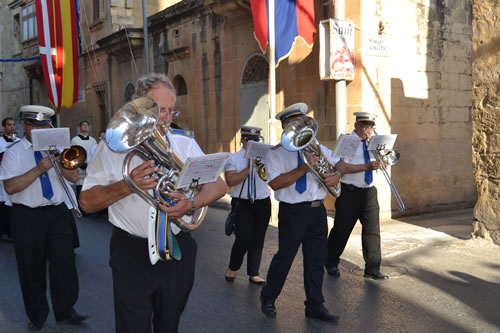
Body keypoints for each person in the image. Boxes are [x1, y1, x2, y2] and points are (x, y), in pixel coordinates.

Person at [79, 73, 226, 333]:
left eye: (171, 111)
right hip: (132, 252)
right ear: (139, 109)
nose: (167, 118)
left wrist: (191, 204)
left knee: (169, 325)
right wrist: (128, 184)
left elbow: (218, 185)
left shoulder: (185, 144)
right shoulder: (113, 149)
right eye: (160, 110)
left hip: (178, 250)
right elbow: (87, 202)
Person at [0, 106, 88, 331]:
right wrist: (40, 168)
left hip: (57, 212)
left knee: (64, 264)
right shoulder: (14, 152)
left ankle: (66, 310)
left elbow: (74, 176)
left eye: (45, 125)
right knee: (31, 267)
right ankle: (37, 314)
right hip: (27, 216)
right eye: (35, 126)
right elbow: (10, 187)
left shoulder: (60, 149)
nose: (40, 129)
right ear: (25, 127)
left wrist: (58, 159)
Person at [259, 103, 341, 323]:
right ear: (285, 127)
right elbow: (275, 183)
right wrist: (303, 168)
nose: (298, 128)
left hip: (317, 212)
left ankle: (315, 305)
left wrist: (337, 175)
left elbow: (336, 165)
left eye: (301, 123)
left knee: (316, 261)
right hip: (292, 213)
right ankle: (268, 297)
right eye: (293, 124)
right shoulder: (275, 154)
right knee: (284, 258)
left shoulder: (318, 148)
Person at [325, 111, 389, 280]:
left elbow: (381, 162)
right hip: (350, 191)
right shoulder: (348, 142)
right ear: (356, 126)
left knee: (372, 231)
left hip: (369, 191)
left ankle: (373, 268)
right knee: (342, 229)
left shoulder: (373, 142)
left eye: (371, 127)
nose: (368, 130)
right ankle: (330, 262)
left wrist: (383, 161)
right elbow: (341, 168)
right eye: (365, 127)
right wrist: (366, 166)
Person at [224, 126, 271, 285]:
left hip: (262, 201)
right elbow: (231, 181)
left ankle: (254, 273)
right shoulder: (233, 158)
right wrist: (250, 167)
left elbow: (271, 178)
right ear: (243, 140)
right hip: (242, 202)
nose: (253, 143)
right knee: (243, 238)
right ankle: (233, 268)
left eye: (256, 140)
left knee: (258, 239)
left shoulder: (265, 157)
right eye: (249, 140)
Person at [0, 117, 20, 241]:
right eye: (9, 125)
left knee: (14, 206)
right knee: (2, 206)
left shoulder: (19, 141)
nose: (12, 127)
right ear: (4, 127)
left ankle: (13, 232)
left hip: (16, 177)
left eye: (13, 125)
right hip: (2, 177)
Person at [70, 120, 97, 202]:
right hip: (80, 168)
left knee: (91, 189)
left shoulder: (93, 140)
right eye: (83, 125)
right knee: (81, 190)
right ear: (80, 127)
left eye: (86, 125)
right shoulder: (75, 140)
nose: (85, 126)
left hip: (91, 168)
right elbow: (73, 154)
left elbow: (96, 153)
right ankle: (81, 209)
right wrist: (82, 165)